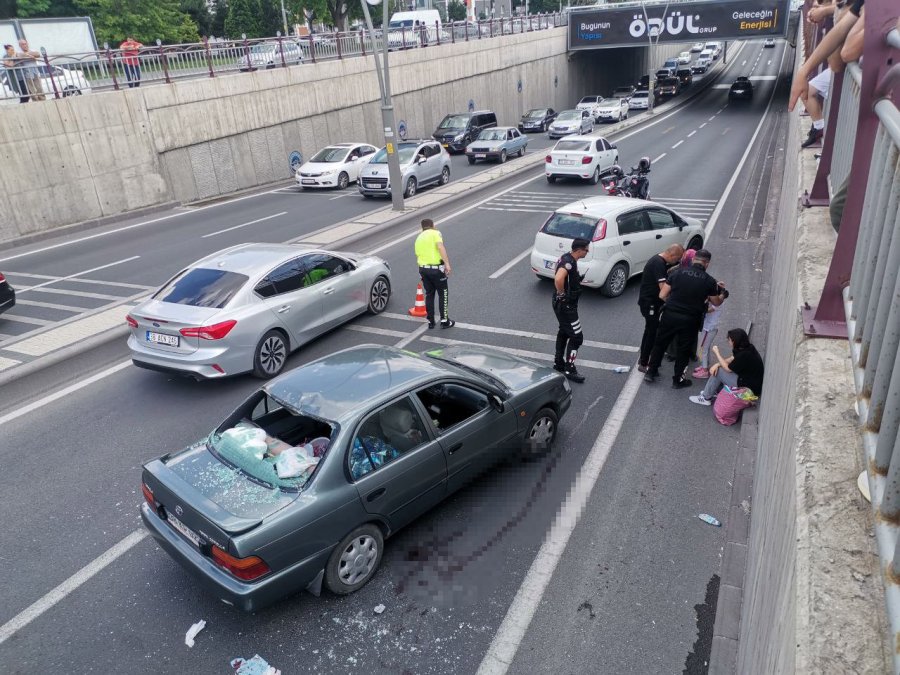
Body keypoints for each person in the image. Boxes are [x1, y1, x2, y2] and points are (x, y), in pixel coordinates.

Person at [644, 249, 727, 389]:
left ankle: (651, 372)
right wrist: (723, 294)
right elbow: (716, 302)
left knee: (660, 344)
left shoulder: (677, 273)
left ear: (694, 259)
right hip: (690, 320)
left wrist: (673, 303)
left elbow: (662, 295)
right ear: (707, 263)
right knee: (684, 350)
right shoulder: (709, 281)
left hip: (670, 315)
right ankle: (678, 380)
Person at [637, 243, 684, 372]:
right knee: (652, 332)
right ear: (672, 255)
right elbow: (663, 290)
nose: (677, 261)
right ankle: (644, 362)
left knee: (649, 330)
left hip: (649, 302)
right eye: (677, 259)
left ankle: (643, 357)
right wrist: (673, 302)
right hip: (650, 303)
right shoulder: (658, 264)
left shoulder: (659, 260)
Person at [689, 328, 764, 406]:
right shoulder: (748, 348)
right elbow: (732, 358)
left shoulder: (743, 355)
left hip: (749, 389)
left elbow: (728, 369)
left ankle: (705, 398)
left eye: (729, 340)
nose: (728, 341)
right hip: (750, 381)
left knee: (719, 371)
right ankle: (713, 391)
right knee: (720, 368)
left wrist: (717, 353)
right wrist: (717, 364)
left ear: (734, 341)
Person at [552, 238, 590, 383]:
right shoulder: (569, 262)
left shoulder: (566, 257)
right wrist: (562, 295)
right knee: (577, 337)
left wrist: (575, 280)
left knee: (564, 331)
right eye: (586, 249)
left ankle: (558, 363)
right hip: (566, 306)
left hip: (563, 304)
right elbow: (558, 278)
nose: (587, 252)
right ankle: (570, 369)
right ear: (579, 250)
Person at [414, 218, 454, 329]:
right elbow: (440, 247)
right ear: (432, 225)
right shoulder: (435, 233)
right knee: (443, 294)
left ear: (422, 227)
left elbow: (418, 254)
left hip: (423, 269)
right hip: (436, 269)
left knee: (429, 294)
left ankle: (430, 321)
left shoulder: (419, 237)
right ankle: (445, 321)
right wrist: (447, 264)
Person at [665, 248, 697, 364]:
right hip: (691, 308)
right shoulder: (697, 273)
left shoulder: (673, 271)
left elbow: (665, 292)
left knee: (675, 330)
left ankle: (673, 353)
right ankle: (690, 353)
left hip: (676, 306)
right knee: (690, 331)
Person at [692, 301, 722, 379]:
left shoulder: (717, 301)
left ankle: (704, 371)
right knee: (706, 347)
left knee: (703, 348)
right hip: (710, 326)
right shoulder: (717, 299)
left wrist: (697, 309)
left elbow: (709, 310)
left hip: (709, 328)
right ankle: (704, 365)